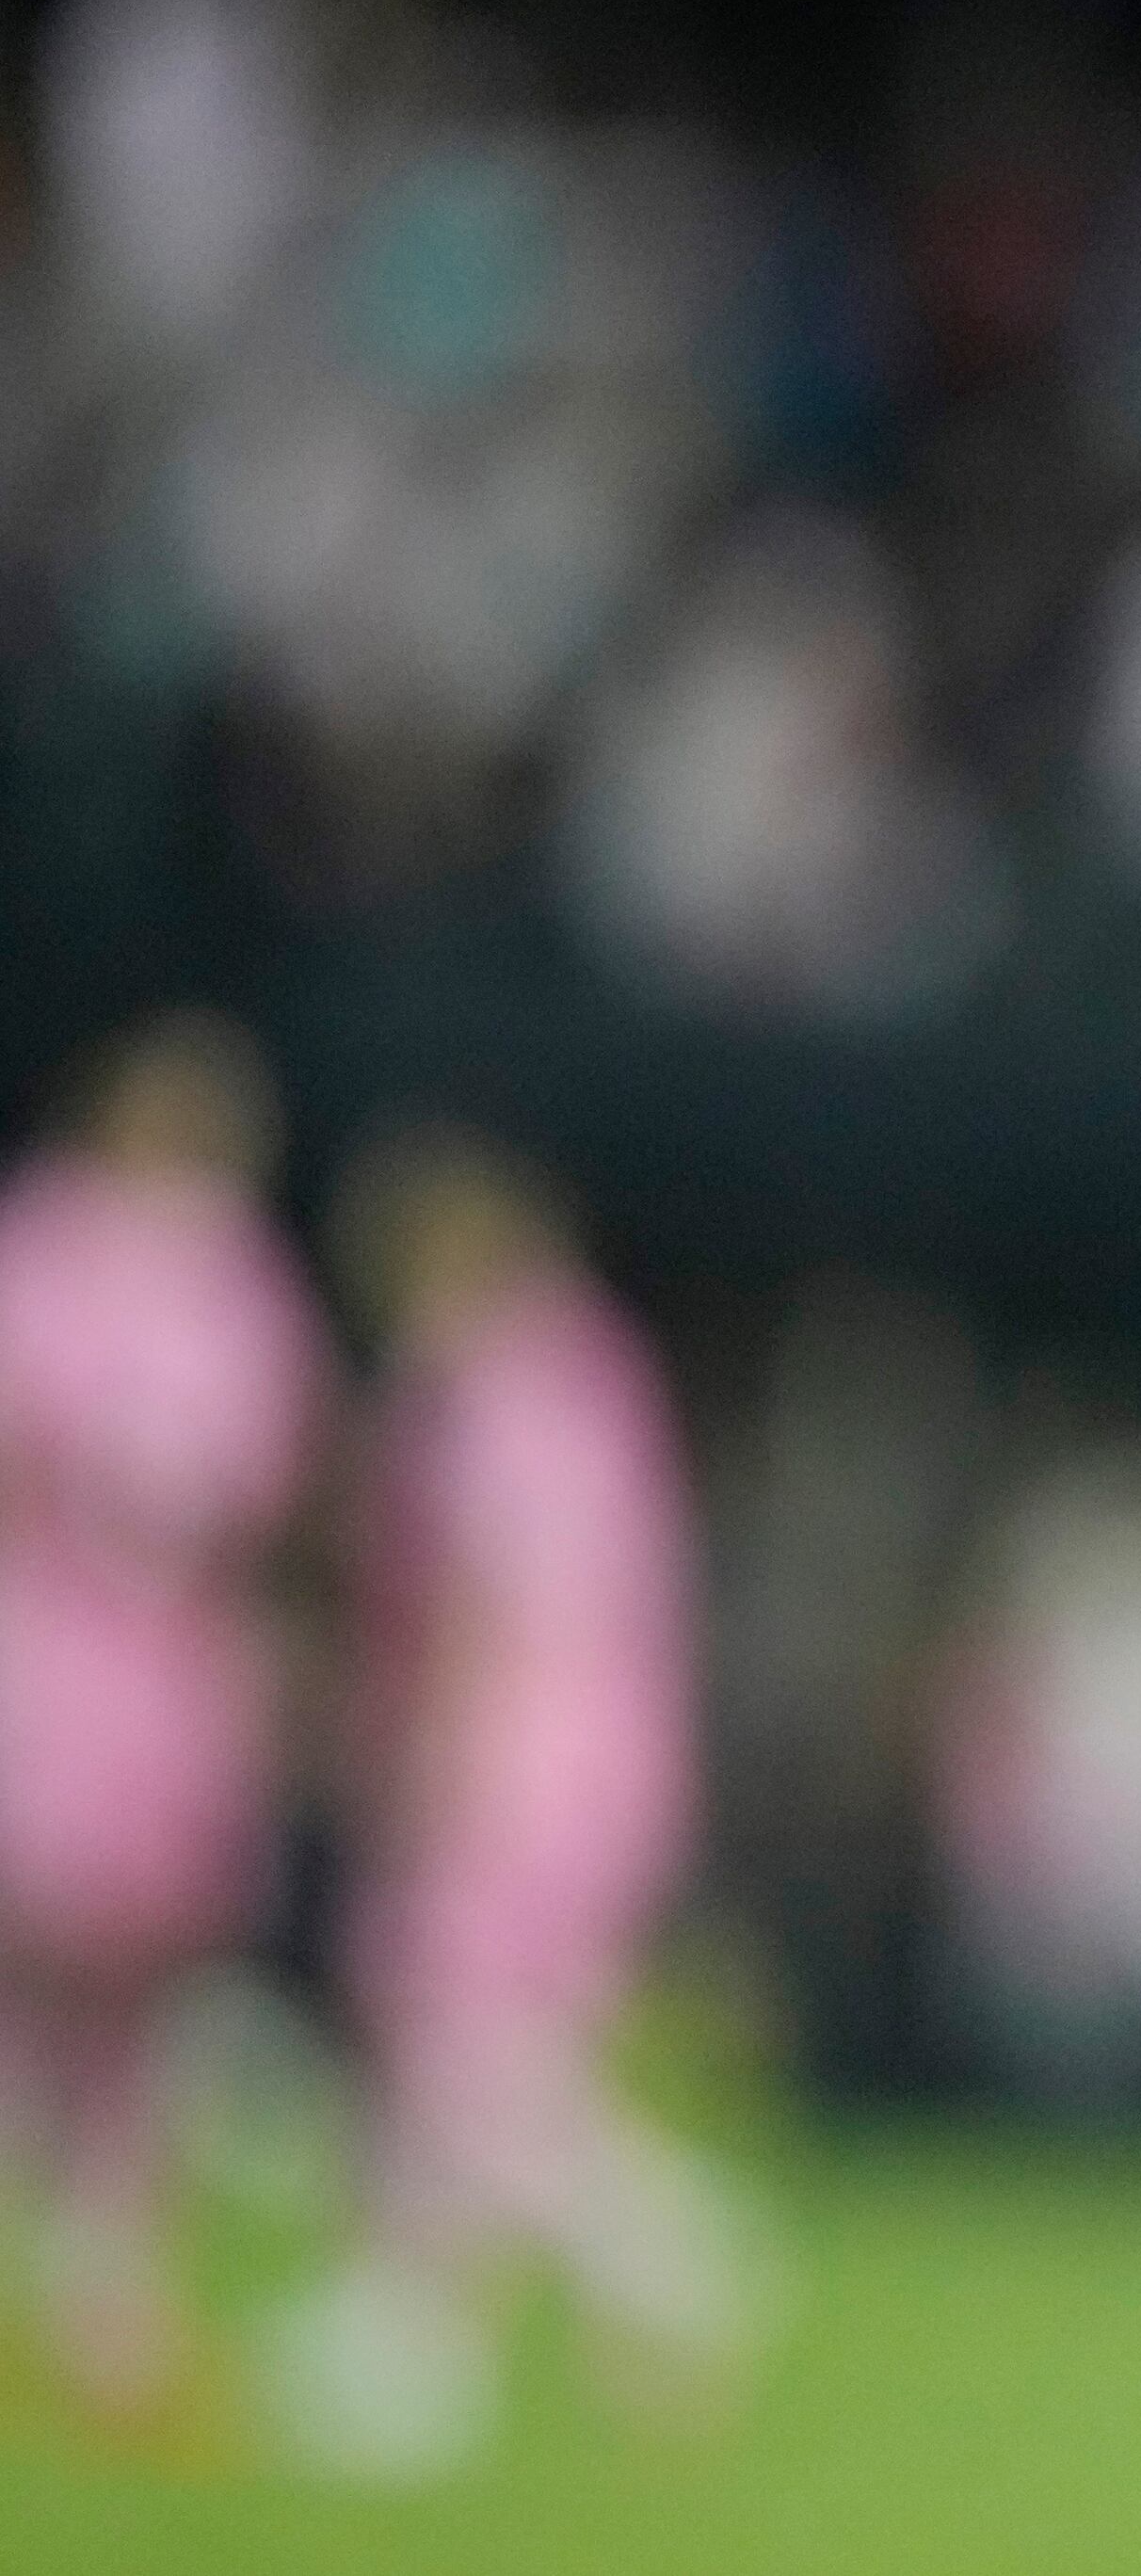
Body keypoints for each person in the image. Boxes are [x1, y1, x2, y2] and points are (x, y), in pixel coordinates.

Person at [270, 1123, 740, 2474]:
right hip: (617, 1748)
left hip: (511, 1750)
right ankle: (415, 2334)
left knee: (461, 2043)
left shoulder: (488, 1389)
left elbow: (492, 1591)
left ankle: (654, 2248)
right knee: (487, 2047)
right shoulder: (601, 1373)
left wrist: (423, 1748)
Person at [0, 1008, 329, 2418]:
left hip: (168, 1669)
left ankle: (108, 2297)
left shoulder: (239, 1277)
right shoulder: (46, 1243)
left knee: (133, 1995)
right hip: (43, 1643)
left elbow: (273, 1469)